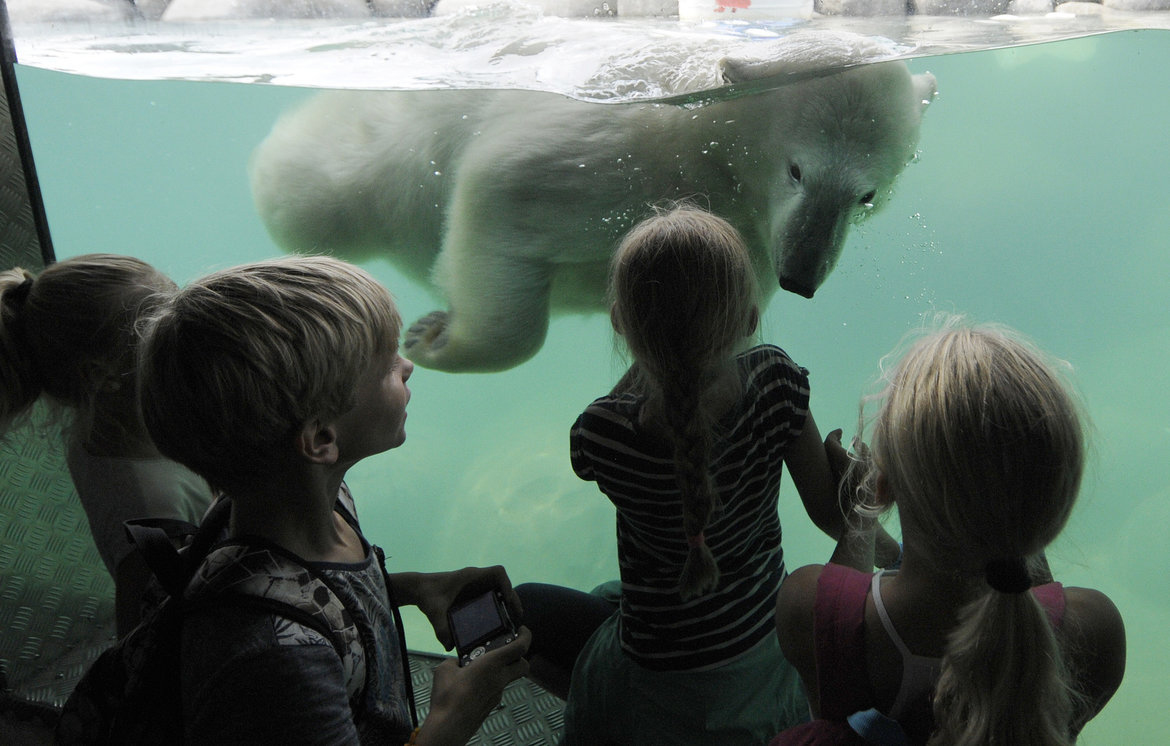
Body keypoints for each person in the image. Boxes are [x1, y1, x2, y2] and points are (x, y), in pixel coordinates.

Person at [517, 205, 897, 745]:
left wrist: (657, 339)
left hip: (644, 686)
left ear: (621, 323)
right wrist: (874, 524)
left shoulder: (601, 435)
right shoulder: (775, 384)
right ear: (747, 319)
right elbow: (827, 515)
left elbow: (615, 422)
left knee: (528, 607)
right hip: (759, 673)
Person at [136, 254, 531, 744]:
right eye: (387, 365)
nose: (407, 365)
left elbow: (315, 587)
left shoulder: (318, 498)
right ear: (322, 439)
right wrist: (452, 720)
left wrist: (409, 588)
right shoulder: (274, 659)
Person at [772, 318, 1127, 746]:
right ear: (1053, 505)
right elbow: (1032, 605)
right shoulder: (1095, 633)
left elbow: (837, 603)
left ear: (884, 486)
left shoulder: (804, 605)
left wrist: (860, 515)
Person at [0, 254, 215, 636]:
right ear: (103, 375)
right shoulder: (150, 513)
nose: (194, 327)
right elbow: (146, 634)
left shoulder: (104, 430)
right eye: (164, 325)